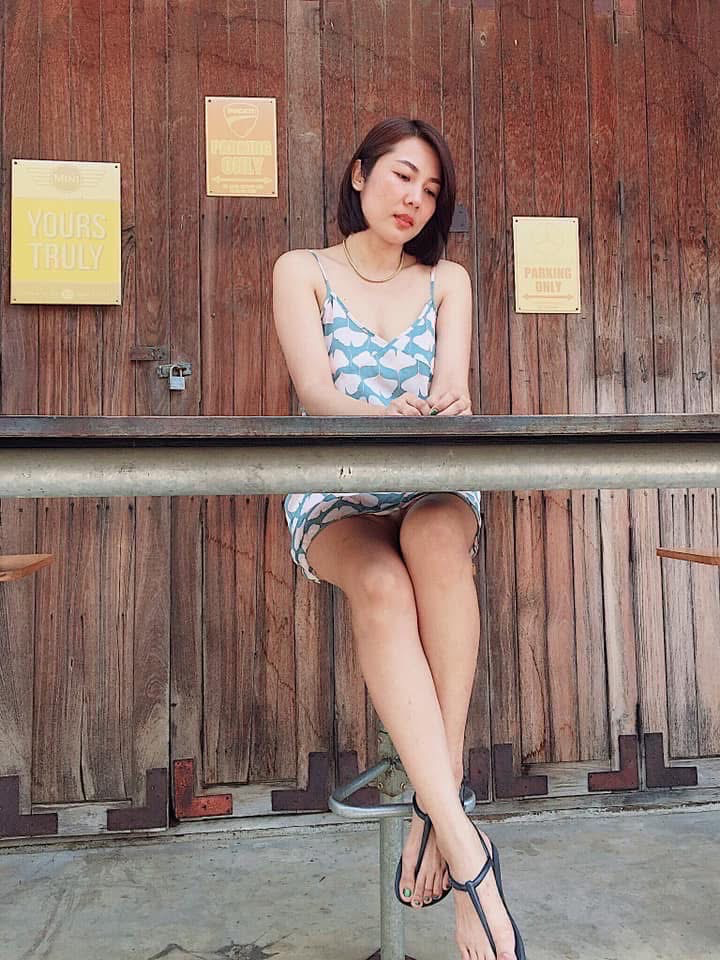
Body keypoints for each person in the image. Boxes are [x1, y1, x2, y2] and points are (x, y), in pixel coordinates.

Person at [273, 117, 525, 960]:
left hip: (428, 481)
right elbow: (316, 394)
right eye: (402, 176)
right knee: (381, 586)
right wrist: (384, 412)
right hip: (337, 491)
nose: (415, 198)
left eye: (431, 188)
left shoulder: (447, 281)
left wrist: (444, 405)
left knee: (438, 542)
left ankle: (432, 808)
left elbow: (451, 386)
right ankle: (467, 849)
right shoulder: (303, 271)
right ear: (359, 175)